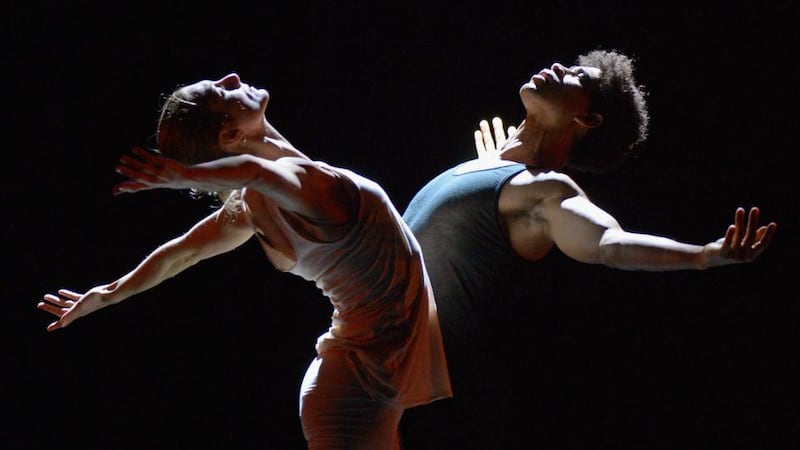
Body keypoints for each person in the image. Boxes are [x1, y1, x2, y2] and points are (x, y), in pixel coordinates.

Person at [38, 73, 452, 450]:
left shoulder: (257, 206)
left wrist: (107, 293)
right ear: (232, 133)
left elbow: (182, 253)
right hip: (356, 388)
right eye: (223, 92)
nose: (233, 78)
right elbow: (255, 175)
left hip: (362, 374)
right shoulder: (293, 187)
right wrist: (186, 177)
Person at [398, 49, 777, 449]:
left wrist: (702, 256)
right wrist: (492, 165)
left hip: (436, 407)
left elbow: (609, 243)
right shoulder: (496, 168)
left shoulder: (544, 193)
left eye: (579, 77)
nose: (560, 67)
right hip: (380, 370)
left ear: (588, 119)